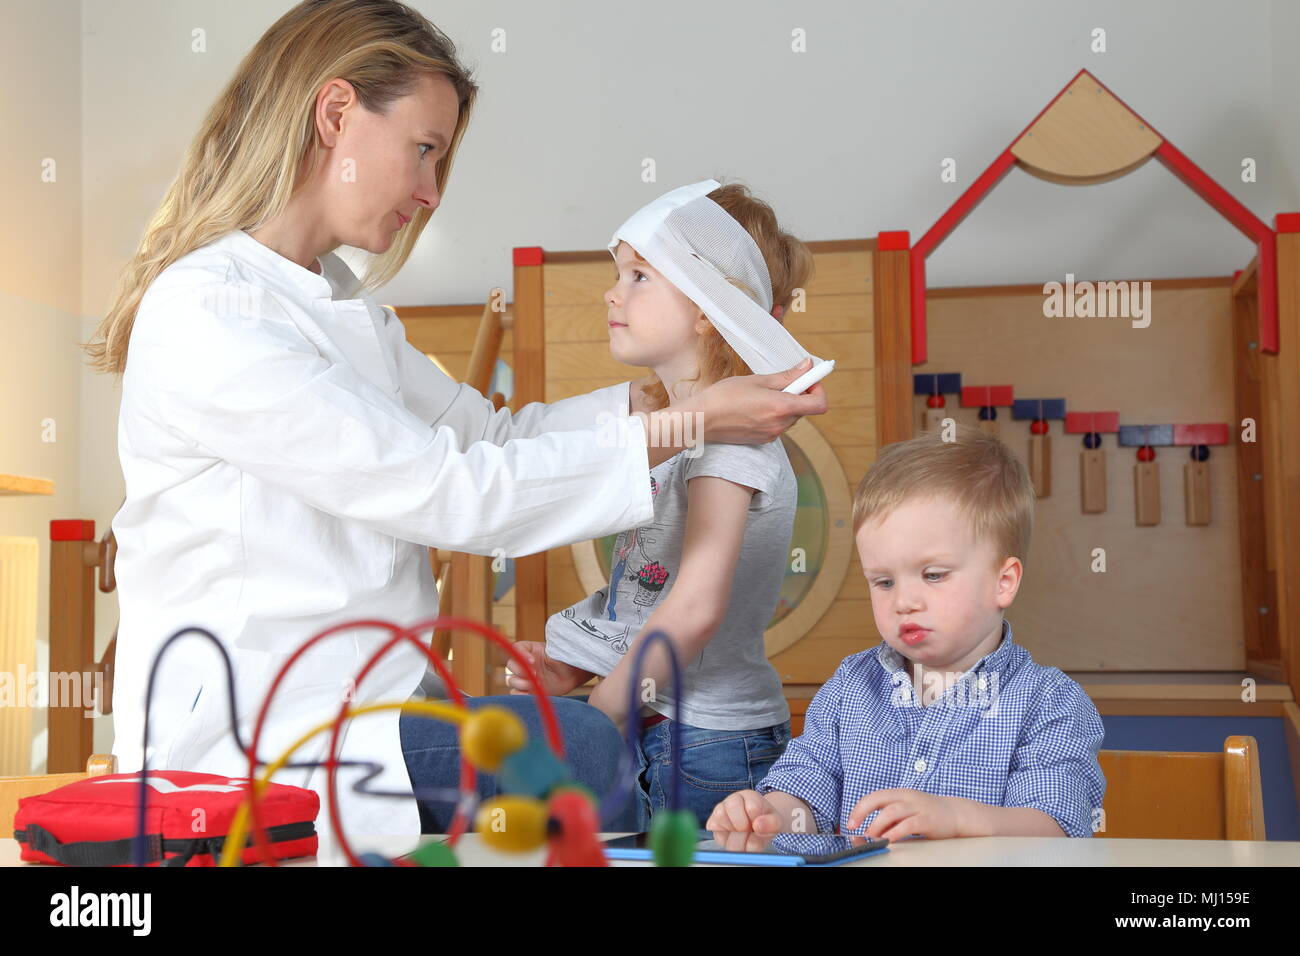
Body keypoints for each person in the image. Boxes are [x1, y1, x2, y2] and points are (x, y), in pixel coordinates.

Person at [82, 0, 827, 852]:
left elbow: (495, 441)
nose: (432, 192)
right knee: (582, 751)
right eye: (425, 150)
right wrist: (690, 419)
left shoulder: (341, 307)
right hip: (261, 731)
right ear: (335, 114)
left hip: (369, 706)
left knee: (573, 755)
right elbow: (449, 490)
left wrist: (663, 406)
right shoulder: (212, 315)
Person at [491, 182, 807, 830]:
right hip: (662, 723)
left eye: (639, 275)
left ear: (706, 306)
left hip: (708, 746)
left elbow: (693, 612)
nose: (612, 292)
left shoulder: (732, 443)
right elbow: (650, 600)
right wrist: (579, 669)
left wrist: (591, 723)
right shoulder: (671, 426)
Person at [706, 423, 1106, 843]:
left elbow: (1057, 828)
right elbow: (807, 791)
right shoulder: (850, 686)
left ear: (1002, 582)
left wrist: (958, 818)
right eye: (883, 582)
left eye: (933, 575)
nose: (904, 601)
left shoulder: (1050, 702)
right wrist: (766, 815)